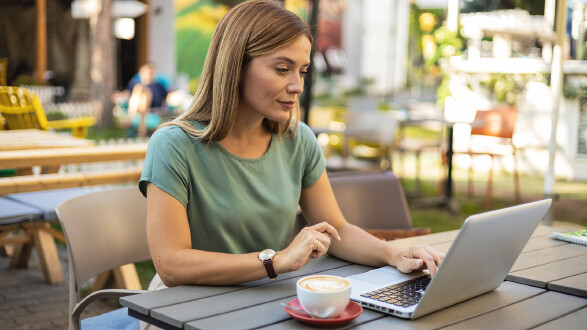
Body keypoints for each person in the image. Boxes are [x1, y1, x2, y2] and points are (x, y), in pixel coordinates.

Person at [140, 0, 444, 294]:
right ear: (236, 66)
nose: (298, 85)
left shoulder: (299, 140)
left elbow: (336, 230)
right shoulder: (174, 146)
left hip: (265, 295)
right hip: (182, 304)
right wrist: (276, 261)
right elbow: (171, 266)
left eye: (302, 71)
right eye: (282, 69)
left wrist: (393, 254)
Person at [113, 63, 169, 137]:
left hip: (152, 108)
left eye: (152, 73)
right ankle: (142, 129)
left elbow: (167, 97)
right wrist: (118, 95)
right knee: (140, 89)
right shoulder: (134, 84)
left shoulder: (158, 86)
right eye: (148, 73)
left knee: (143, 91)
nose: (150, 75)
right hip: (138, 108)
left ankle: (130, 118)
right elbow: (127, 93)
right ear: (141, 73)